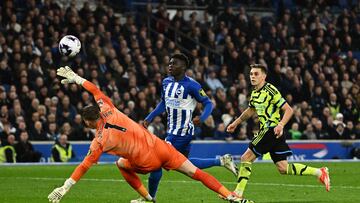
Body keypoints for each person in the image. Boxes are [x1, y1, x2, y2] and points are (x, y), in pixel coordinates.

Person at [47, 66, 253, 203]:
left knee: (120, 164)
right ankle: (232, 196)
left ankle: (148, 198)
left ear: (90, 122)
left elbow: (83, 167)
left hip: (147, 163)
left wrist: (65, 188)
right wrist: (76, 78)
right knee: (196, 174)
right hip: (162, 147)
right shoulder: (107, 106)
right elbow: (95, 90)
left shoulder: (99, 141)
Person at [139, 53, 238, 203]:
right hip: (171, 130)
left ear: (184, 67)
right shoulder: (166, 82)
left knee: (157, 162)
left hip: (182, 133)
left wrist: (202, 118)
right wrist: (149, 118)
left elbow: (208, 103)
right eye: (170, 63)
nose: (170, 66)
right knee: (187, 164)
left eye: (175, 64)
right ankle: (222, 161)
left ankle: (149, 198)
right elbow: (163, 103)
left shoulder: (192, 85)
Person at [226, 64, 330, 200]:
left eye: (256, 74)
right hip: (274, 132)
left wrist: (281, 124)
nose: (252, 76)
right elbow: (251, 110)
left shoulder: (271, 90)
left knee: (246, 158)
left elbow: (289, 109)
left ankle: (238, 194)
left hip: (271, 129)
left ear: (264, 76)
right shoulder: (255, 92)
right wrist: (236, 123)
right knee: (283, 168)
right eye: (251, 74)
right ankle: (319, 172)